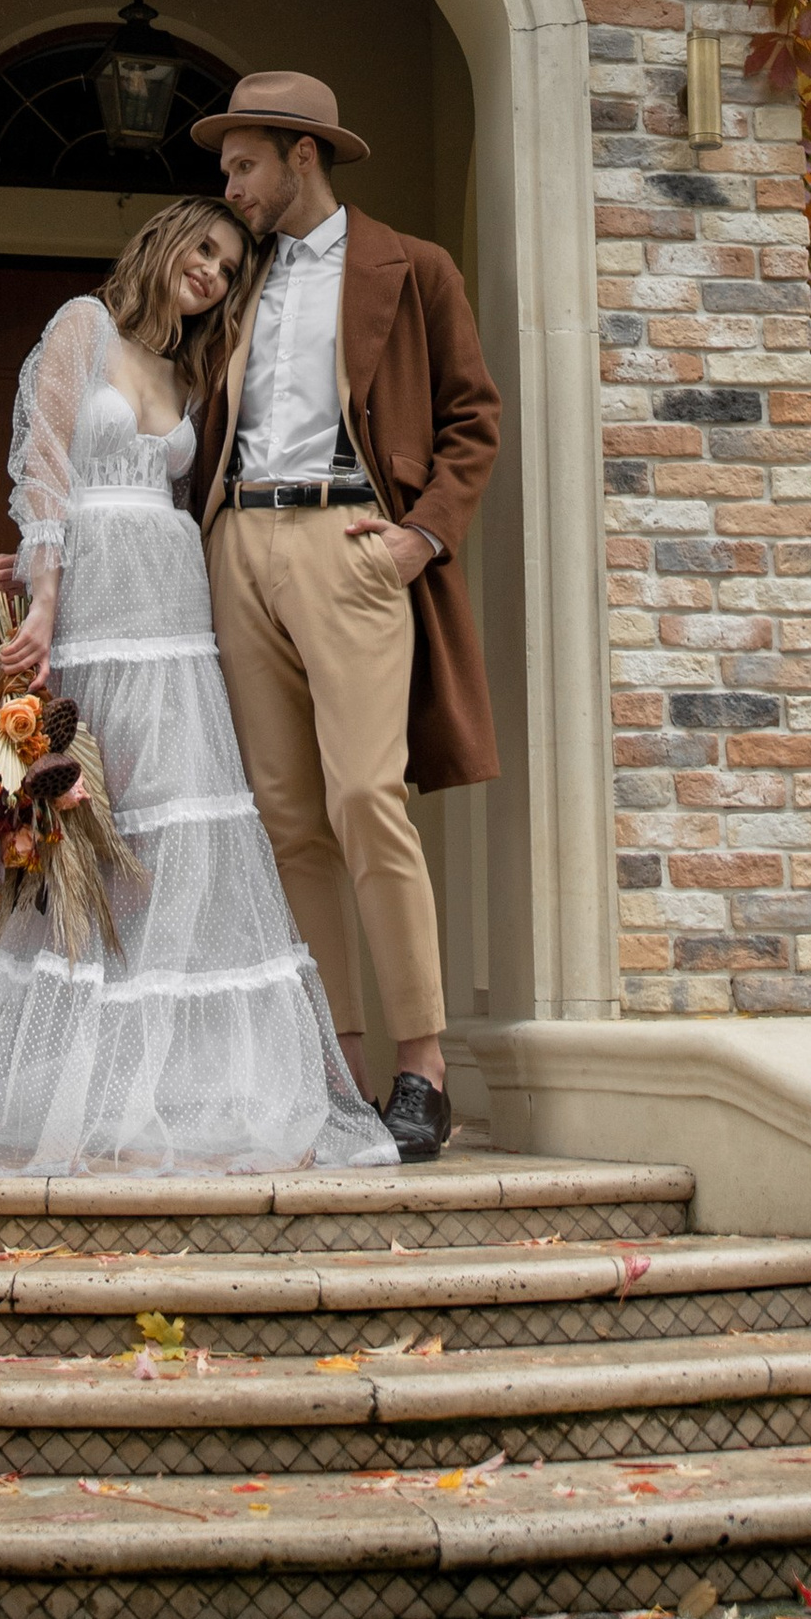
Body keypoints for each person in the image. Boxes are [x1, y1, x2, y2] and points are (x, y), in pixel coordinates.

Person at [0, 196, 395, 1176]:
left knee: (172, 840)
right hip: (96, 617)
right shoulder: (83, 323)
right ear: (163, 243)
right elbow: (44, 465)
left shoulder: (189, 370)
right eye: (202, 248)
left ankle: (165, 1092)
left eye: (229, 265)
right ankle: (61, 1092)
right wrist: (40, 603)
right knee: (78, 844)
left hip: (176, 617)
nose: (211, 270)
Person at [190, 71, 501, 1163]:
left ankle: (421, 1067)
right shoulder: (235, 279)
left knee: (365, 794)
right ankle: (333, 1066)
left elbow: (473, 418)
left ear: (300, 154)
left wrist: (422, 535)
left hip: (351, 541)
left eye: (242, 165)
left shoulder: (412, 269)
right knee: (286, 818)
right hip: (238, 542)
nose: (228, 187)